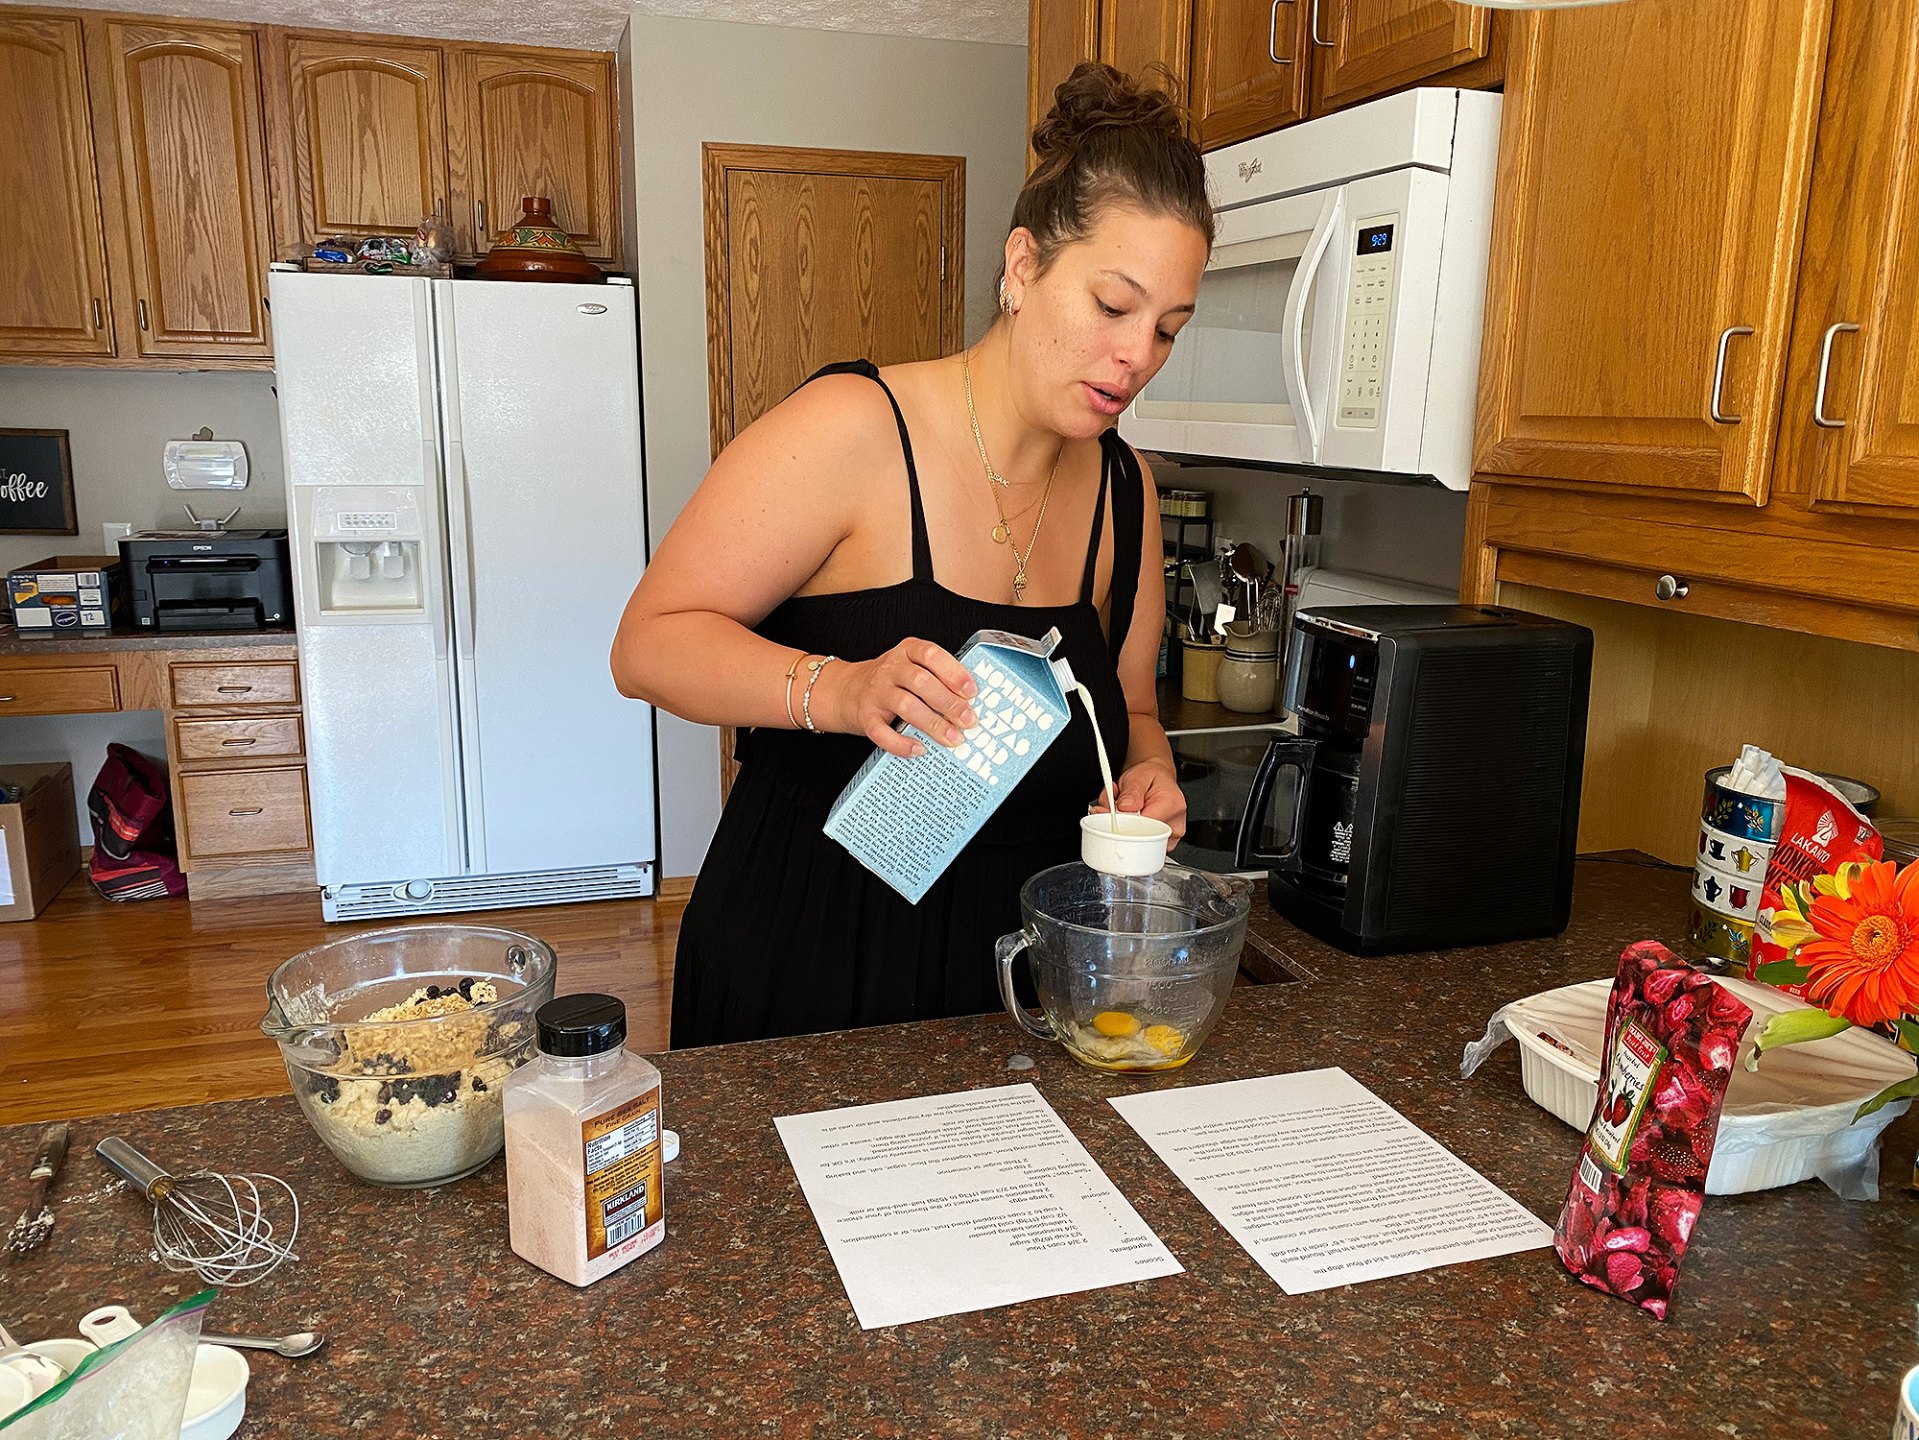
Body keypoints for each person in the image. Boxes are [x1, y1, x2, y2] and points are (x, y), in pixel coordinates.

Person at [611, 62, 1214, 1047]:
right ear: (1021, 267)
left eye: (1167, 330)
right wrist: (840, 689)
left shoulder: (1124, 490)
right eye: (1112, 306)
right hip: (812, 952)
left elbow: (1133, 708)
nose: (1136, 354)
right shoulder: (852, 428)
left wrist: (1148, 774)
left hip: (1017, 976)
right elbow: (648, 645)